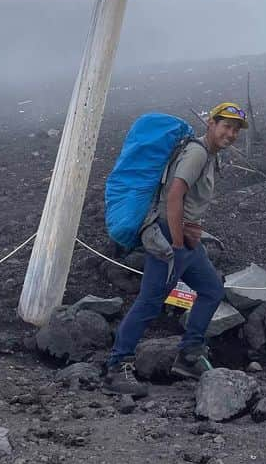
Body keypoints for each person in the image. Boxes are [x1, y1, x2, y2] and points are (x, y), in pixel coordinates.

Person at [103, 102, 247, 396]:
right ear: (211, 123)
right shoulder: (196, 152)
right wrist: (178, 242)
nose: (230, 134)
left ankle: (190, 355)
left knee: (210, 289)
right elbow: (174, 194)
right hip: (171, 236)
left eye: (235, 129)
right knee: (151, 301)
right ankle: (118, 366)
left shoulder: (208, 155)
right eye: (226, 126)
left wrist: (192, 234)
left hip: (184, 236)